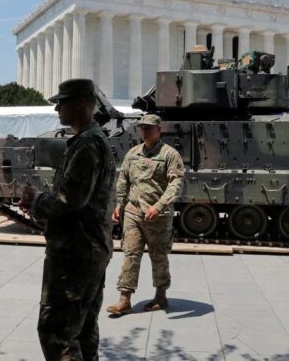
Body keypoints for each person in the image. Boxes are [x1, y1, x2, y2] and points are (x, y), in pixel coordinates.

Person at [18, 78, 116, 360]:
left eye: (61, 102)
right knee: (82, 330)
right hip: (87, 250)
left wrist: (37, 199)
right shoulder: (90, 141)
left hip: (75, 255)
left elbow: (71, 199)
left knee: (57, 332)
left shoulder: (87, 144)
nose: (56, 109)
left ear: (82, 104)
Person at [106, 114, 184, 316]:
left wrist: (158, 206)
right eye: (142, 128)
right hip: (133, 213)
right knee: (130, 253)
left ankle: (160, 295)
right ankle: (124, 299)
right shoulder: (133, 153)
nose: (145, 131)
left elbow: (175, 184)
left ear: (159, 130)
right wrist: (119, 205)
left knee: (159, 257)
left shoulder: (169, 155)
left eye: (149, 128)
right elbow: (123, 180)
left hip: (157, 217)